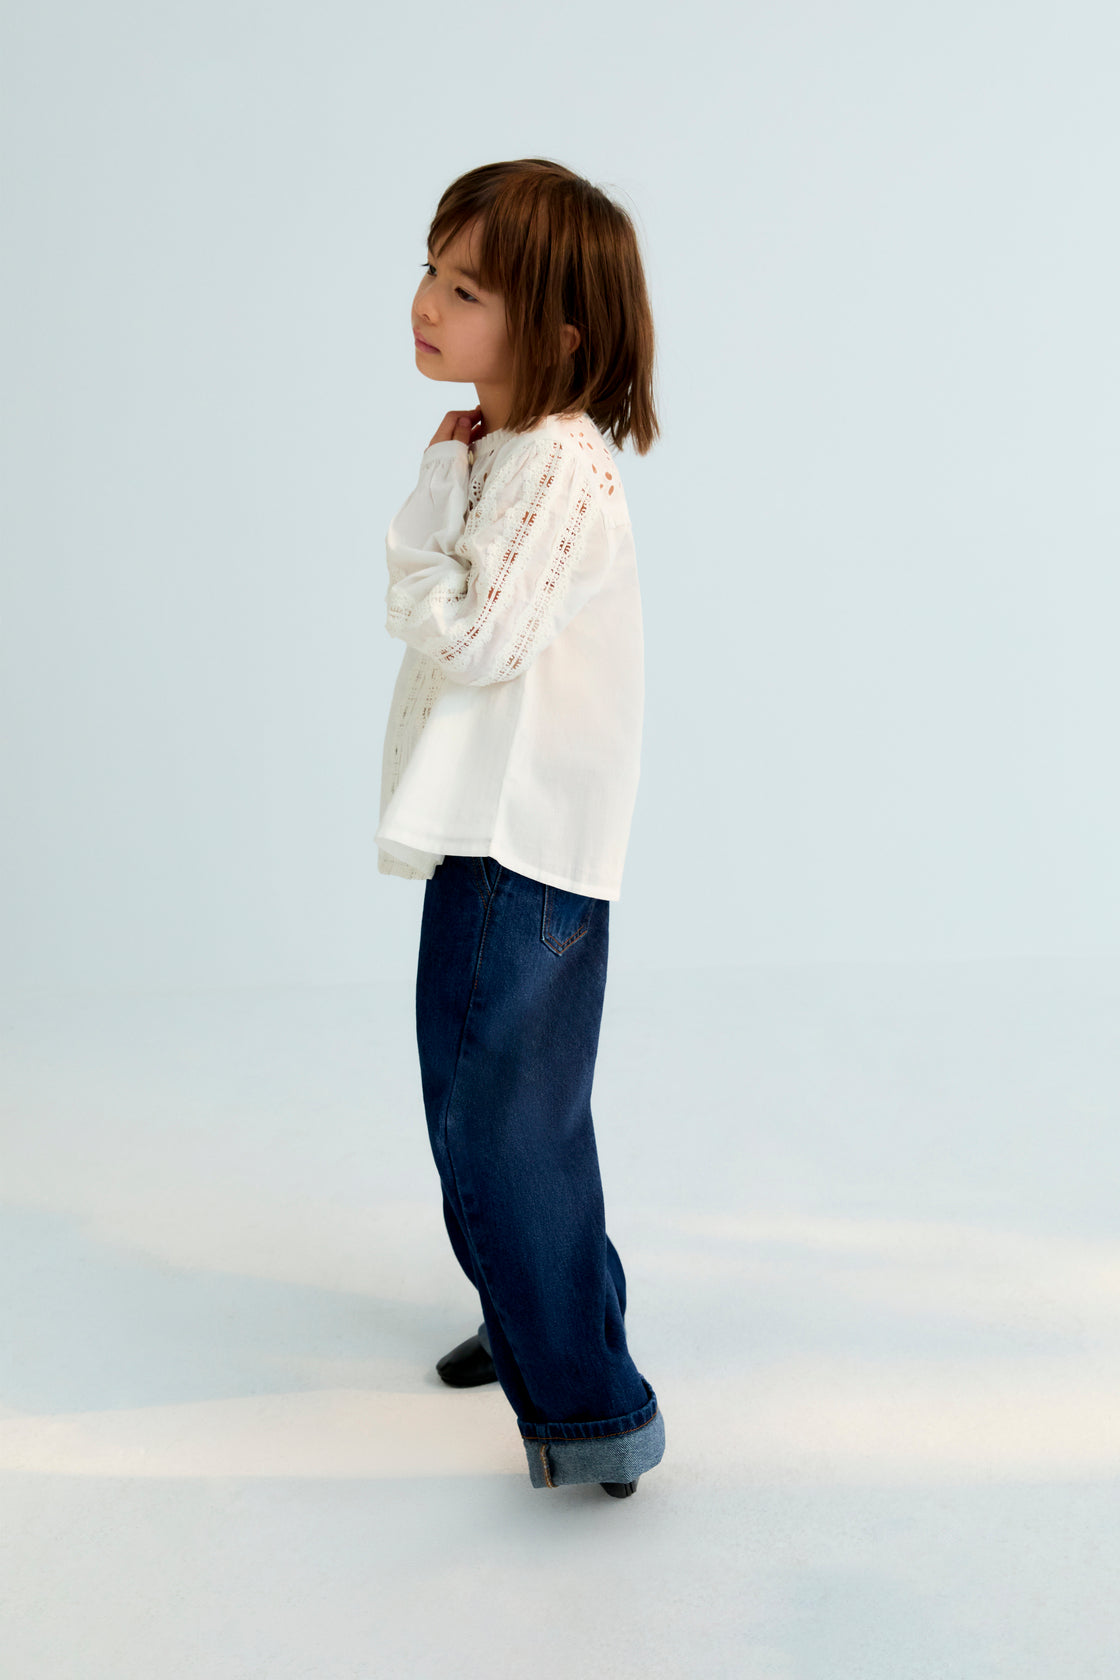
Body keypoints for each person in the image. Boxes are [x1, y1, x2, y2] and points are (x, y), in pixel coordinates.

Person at [375, 158, 664, 1499]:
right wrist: (450, 483)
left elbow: (474, 635)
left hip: (526, 850)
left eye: (467, 287)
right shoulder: (500, 447)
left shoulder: (554, 462)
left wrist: (425, 527)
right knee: (475, 1106)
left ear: (555, 329)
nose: (427, 304)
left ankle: (594, 1410)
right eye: (431, 271)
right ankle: (530, 1306)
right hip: (482, 838)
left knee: (510, 1128)